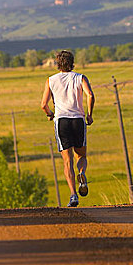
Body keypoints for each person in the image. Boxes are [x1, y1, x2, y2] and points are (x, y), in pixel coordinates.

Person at [40, 50, 95, 207]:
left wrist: (50, 114)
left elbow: (43, 105)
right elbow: (90, 95)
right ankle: (82, 174)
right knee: (81, 156)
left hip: (61, 121)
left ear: (58, 64)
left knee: (67, 161)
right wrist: (89, 115)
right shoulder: (80, 77)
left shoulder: (50, 80)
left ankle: (73, 195)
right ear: (72, 62)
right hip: (78, 120)